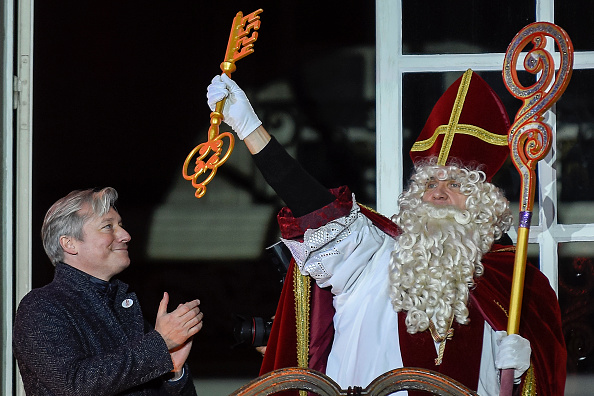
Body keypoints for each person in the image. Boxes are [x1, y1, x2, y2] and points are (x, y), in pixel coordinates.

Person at [206, 70, 567, 395]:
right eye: (429, 183)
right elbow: (313, 207)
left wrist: (523, 373)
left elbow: (537, 384)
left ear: (480, 202)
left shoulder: (512, 285)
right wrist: (250, 127)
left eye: (456, 183)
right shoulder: (371, 254)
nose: (438, 192)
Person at [13, 187, 203, 396]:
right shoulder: (41, 307)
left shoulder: (124, 308)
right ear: (69, 243)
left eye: (120, 225)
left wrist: (173, 374)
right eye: (107, 226)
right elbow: (74, 385)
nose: (125, 235)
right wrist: (159, 344)